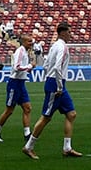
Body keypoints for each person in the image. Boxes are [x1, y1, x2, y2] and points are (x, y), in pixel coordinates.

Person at [26, 22, 80, 159]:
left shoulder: (54, 46)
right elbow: (57, 67)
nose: (71, 35)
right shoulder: (62, 47)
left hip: (54, 82)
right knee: (46, 117)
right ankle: (28, 147)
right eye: (69, 32)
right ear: (62, 33)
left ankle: (67, 148)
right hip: (56, 85)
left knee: (71, 114)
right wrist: (59, 86)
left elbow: (46, 65)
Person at [0, 32, 34, 143]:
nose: (31, 43)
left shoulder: (25, 51)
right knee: (9, 110)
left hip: (21, 83)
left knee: (27, 108)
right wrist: (29, 66)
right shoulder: (20, 51)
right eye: (29, 41)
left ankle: (27, 134)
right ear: (23, 42)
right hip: (14, 84)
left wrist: (29, 69)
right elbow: (17, 67)